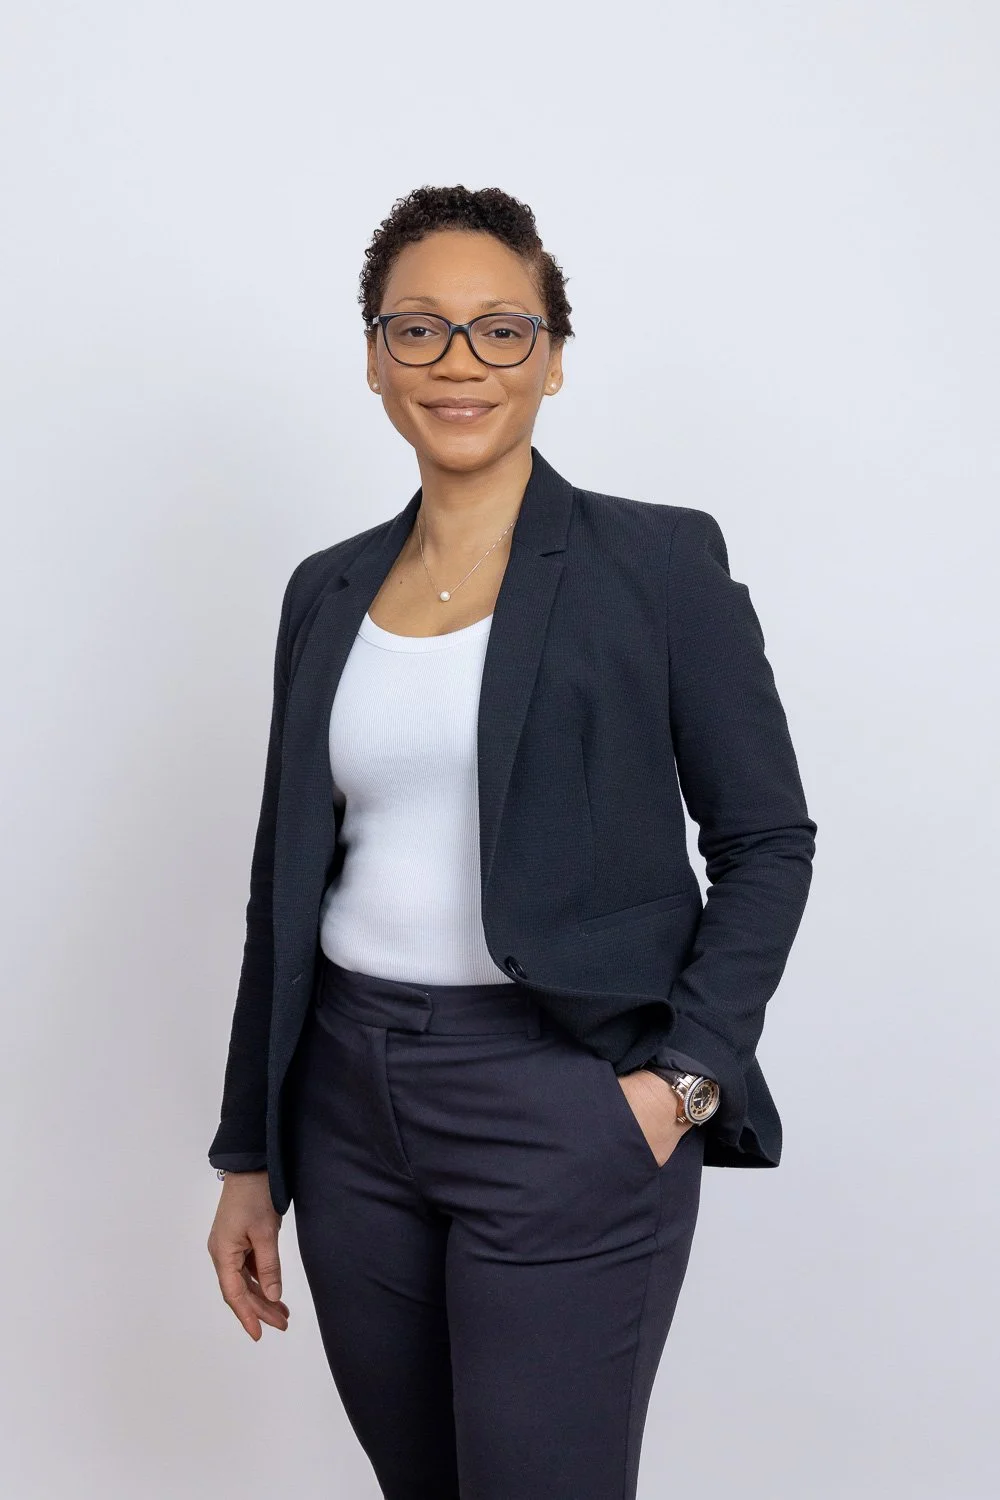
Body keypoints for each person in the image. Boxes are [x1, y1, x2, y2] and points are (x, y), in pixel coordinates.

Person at [206, 183, 817, 1500]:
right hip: (347, 1108)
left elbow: (767, 838)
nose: (459, 363)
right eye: (419, 329)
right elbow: (284, 886)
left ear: (552, 358)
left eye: (500, 329)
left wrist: (680, 1087)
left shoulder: (654, 566)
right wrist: (249, 1154)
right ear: (374, 357)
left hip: (563, 1099)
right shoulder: (327, 588)